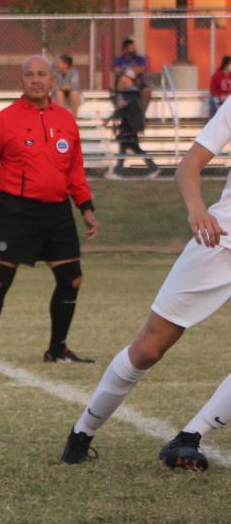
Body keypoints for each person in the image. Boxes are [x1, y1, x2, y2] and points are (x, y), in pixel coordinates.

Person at [59, 97, 231, 467]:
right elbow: (188, 167)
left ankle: (189, 437)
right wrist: (197, 209)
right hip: (220, 240)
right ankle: (82, 431)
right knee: (149, 348)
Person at [0, 55, 98, 366]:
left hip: (57, 212)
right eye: (30, 74)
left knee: (71, 278)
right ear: (21, 80)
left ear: (52, 81)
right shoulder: (5, 120)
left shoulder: (65, 120)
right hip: (16, 211)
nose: (36, 80)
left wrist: (85, 206)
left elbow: (75, 169)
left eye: (42, 74)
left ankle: (57, 349)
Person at [106, 79, 159, 178]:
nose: (121, 84)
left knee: (127, 150)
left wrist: (108, 120)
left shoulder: (131, 95)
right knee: (131, 150)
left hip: (129, 130)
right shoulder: (130, 95)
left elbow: (123, 108)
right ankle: (153, 168)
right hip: (127, 128)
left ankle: (117, 171)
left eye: (124, 82)